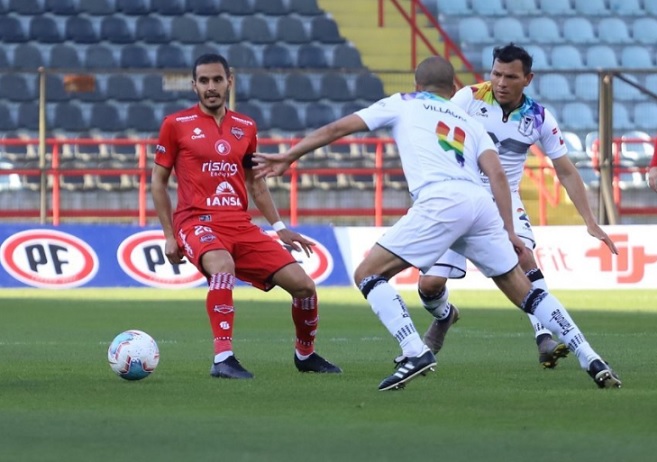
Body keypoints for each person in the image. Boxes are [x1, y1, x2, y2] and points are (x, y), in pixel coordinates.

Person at [253, 56, 622, 391]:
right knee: (524, 289)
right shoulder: (470, 120)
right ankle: (590, 356)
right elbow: (494, 173)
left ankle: (415, 350)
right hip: (482, 204)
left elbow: (339, 128)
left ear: (417, 86)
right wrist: (508, 230)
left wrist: (290, 155)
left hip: (442, 200)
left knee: (368, 273)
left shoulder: (404, 102)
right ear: (455, 87)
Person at [419, 43, 619, 369]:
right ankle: (444, 316)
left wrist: (590, 220)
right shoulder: (468, 98)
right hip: (459, 198)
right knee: (429, 286)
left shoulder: (538, 117)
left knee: (523, 256)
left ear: (528, 78)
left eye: (510, 76)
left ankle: (545, 337)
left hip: (503, 200)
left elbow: (566, 170)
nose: (500, 82)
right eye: (496, 73)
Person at [151, 53, 341, 379]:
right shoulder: (176, 125)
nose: (211, 87)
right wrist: (170, 234)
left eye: (217, 80)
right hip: (197, 221)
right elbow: (158, 181)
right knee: (222, 266)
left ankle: (305, 354)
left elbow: (256, 183)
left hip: (240, 224)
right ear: (194, 85)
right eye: (204, 81)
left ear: (229, 81)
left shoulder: (246, 127)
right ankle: (223, 358)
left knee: (305, 287)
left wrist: (280, 228)